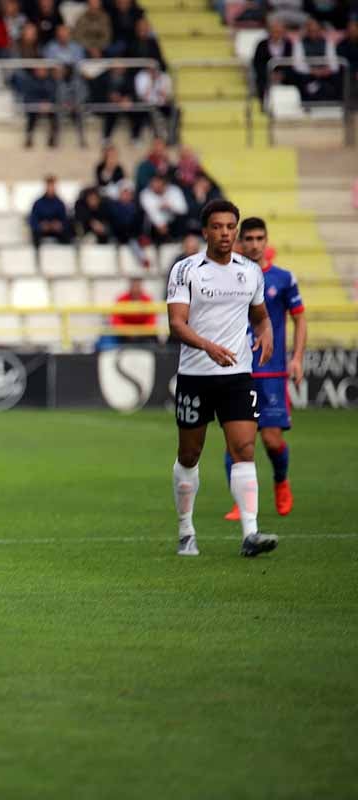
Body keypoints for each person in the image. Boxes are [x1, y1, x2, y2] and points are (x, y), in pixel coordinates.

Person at [166, 199, 277, 558]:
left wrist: (267, 331)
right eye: (218, 227)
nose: (225, 233)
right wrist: (208, 347)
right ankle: (186, 531)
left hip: (237, 375)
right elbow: (177, 324)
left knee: (244, 449)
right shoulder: (187, 270)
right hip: (196, 375)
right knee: (189, 454)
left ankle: (250, 532)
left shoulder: (250, 271)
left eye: (231, 227)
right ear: (206, 231)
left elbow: (259, 315)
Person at [223, 217, 306, 521]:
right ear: (240, 242)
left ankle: (281, 481)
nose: (255, 244)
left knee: (271, 440)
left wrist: (297, 357)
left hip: (271, 373)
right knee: (237, 441)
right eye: (249, 239)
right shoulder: (228, 277)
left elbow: (300, 318)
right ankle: (240, 502)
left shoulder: (283, 279)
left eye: (260, 238)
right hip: (236, 371)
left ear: (266, 241)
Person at [140, 173, 188, 244]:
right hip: (156, 225)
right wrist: (160, 223)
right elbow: (151, 211)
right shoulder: (145, 194)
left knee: (182, 219)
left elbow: (183, 209)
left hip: (173, 221)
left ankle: (180, 241)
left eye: (158, 184)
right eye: (153, 184)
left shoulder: (175, 190)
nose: (155, 187)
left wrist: (170, 206)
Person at [28, 175, 73, 246]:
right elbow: (32, 219)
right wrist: (40, 225)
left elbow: (65, 219)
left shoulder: (60, 203)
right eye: (49, 186)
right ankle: (37, 255)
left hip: (56, 231)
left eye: (53, 186)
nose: (51, 188)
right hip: (42, 230)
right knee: (35, 234)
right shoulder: (38, 203)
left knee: (67, 234)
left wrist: (59, 225)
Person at [109, 277, 157, 343]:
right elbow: (116, 320)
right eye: (134, 286)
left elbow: (151, 320)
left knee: (154, 338)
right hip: (124, 335)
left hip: (144, 334)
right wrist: (127, 332)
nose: (135, 289)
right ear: (130, 287)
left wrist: (140, 332)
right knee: (110, 335)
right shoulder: (121, 299)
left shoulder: (147, 299)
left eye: (137, 286)